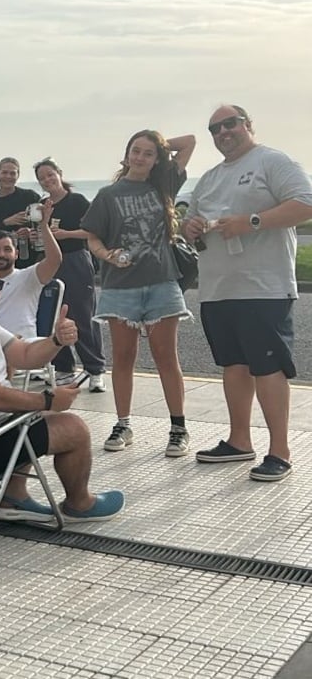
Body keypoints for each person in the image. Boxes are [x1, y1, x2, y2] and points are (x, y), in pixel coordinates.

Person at [0, 257, 124, 522]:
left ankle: (13, 498)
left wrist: (56, 340)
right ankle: (80, 505)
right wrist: (47, 400)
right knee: (74, 429)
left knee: (31, 415)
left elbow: (25, 355)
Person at [183, 105, 312, 481]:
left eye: (230, 123)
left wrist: (251, 222)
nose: (223, 131)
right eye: (214, 128)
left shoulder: (271, 161)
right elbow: (190, 218)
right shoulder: (208, 178)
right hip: (218, 288)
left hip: (263, 287)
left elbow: (305, 202)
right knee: (233, 365)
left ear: (247, 125)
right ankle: (239, 441)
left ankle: (280, 451)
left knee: (267, 366)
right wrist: (190, 227)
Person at [81, 130, 196, 458]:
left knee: (166, 357)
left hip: (161, 282)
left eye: (148, 153)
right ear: (126, 153)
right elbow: (92, 238)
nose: (140, 157)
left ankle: (178, 427)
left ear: (157, 159)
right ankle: (123, 423)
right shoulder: (108, 195)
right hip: (120, 287)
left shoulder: (164, 185)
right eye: (136, 151)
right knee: (123, 358)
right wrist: (108, 256)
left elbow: (188, 141)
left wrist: (161, 145)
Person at [34, 157, 106, 392]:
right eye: (42, 178)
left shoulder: (77, 201)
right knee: (55, 316)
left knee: (83, 316)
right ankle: (63, 367)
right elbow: (41, 233)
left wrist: (65, 234)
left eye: (50, 175)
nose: (47, 180)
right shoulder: (42, 205)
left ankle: (95, 369)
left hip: (76, 260)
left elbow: (92, 231)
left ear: (59, 174)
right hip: (51, 264)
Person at [0, 200, 61, 342]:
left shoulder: (28, 276)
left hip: (22, 349)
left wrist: (43, 226)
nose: (1, 254)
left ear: (16, 254)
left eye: (7, 249)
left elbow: (54, 260)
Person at [0, 157, 41, 268]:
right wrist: (6, 224)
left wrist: (31, 232)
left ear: (18, 176)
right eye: (4, 172)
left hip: (33, 260)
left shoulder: (30, 197)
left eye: (12, 173)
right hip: (3, 263)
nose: (8, 177)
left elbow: (44, 223)